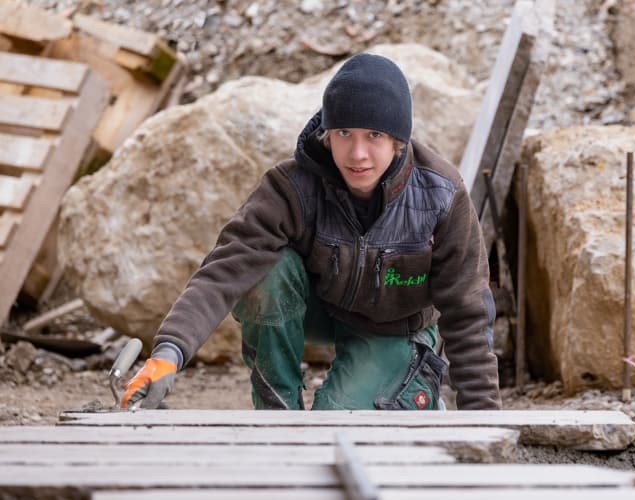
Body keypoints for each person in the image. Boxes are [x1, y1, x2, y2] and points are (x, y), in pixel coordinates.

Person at [121, 53, 501, 411]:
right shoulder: (293, 187)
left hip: (394, 330)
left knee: (334, 425)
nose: (357, 154)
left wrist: (483, 422)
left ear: (398, 141)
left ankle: (411, 387)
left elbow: (468, 310)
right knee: (263, 272)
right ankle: (278, 415)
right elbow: (226, 267)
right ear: (326, 134)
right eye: (344, 133)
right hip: (326, 308)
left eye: (374, 136)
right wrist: (168, 354)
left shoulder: (441, 195)